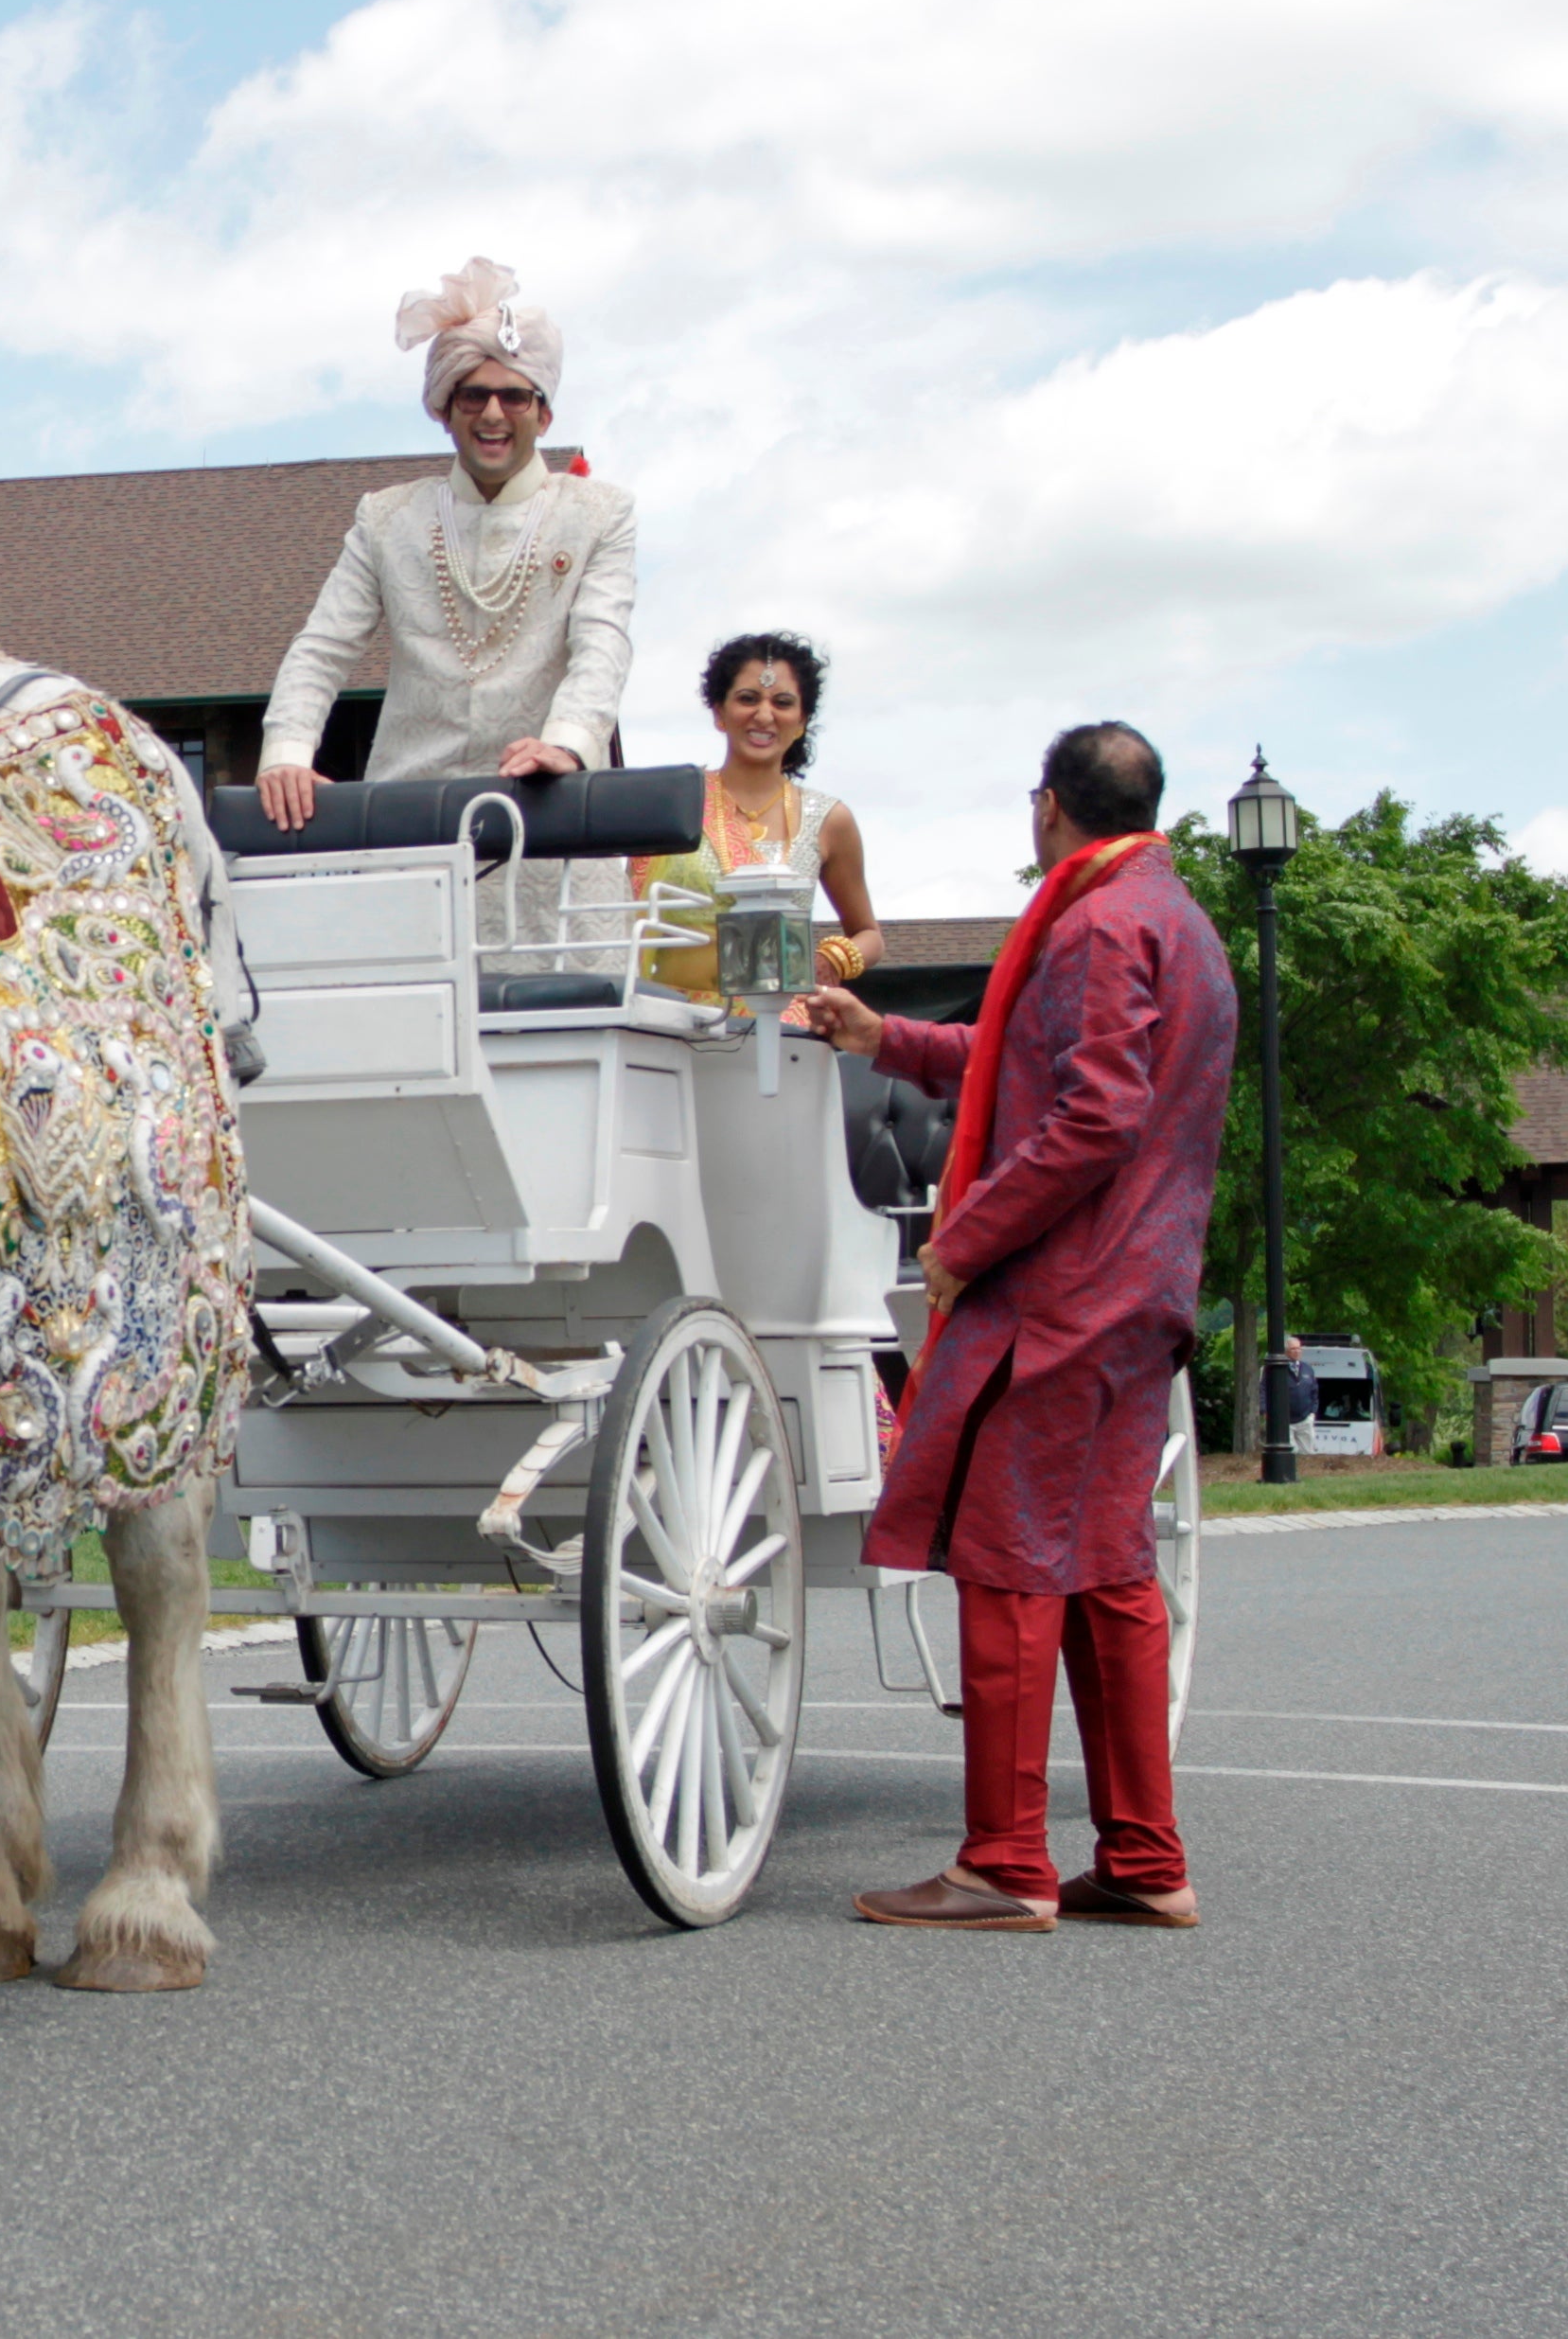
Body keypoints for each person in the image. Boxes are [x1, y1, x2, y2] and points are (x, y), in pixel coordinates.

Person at [798, 723, 1233, 1932]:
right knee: (1111, 1569)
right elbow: (1032, 1063)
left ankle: (1003, 1862)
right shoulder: (1178, 919)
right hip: (1143, 1291)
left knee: (1006, 1559)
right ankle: (1146, 1859)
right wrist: (887, 1036)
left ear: (1047, 806)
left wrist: (967, 1239)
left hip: (1060, 1295)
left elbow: (1092, 1116)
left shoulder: (1091, 922)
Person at [255, 257, 638, 836]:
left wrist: (568, 744)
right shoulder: (387, 519)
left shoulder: (598, 514)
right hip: (411, 818)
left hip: (550, 814)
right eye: (472, 396)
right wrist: (286, 752)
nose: (492, 413)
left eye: (514, 397)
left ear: (544, 413)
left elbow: (602, 645)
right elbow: (322, 648)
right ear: (444, 411)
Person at [636, 631, 886, 1000]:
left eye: (782, 702)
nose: (764, 714)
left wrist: (831, 959)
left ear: (801, 721)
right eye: (748, 699)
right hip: (671, 1024)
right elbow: (626, 918)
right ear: (720, 713)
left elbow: (869, 934)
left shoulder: (828, 819)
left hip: (781, 1025)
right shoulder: (672, 804)